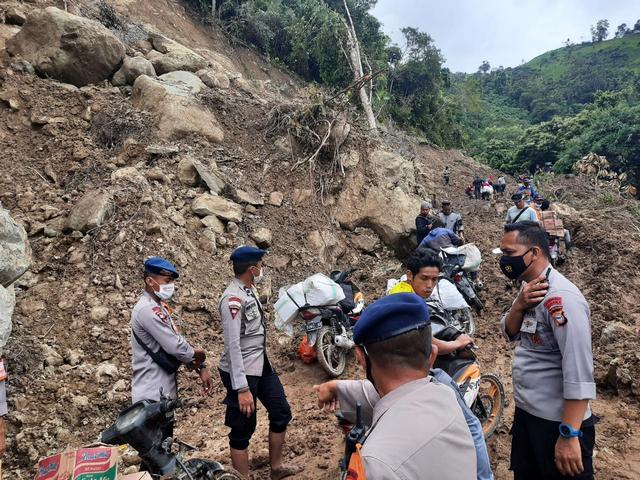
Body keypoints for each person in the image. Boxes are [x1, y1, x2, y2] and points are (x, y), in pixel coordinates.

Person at [314, 294, 477, 479]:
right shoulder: (447, 395)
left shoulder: (374, 463)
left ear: (360, 359)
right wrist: (336, 387)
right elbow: (394, 396)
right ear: (432, 356)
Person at [498, 222, 596, 479]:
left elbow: (578, 370)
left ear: (534, 253)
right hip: (528, 416)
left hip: (556, 424)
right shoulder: (528, 288)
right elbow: (510, 333)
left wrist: (569, 434)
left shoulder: (562, 298)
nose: (505, 261)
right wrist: (518, 306)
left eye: (509, 253)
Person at [218, 246, 301, 479]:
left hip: (260, 363)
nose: (262, 269)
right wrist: (242, 388)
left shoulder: (248, 290)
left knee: (281, 412)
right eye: (260, 265)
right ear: (252, 269)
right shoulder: (232, 299)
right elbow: (233, 346)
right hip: (241, 370)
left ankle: (276, 468)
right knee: (243, 427)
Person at [131, 257, 212, 404]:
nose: (171, 286)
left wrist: (200, 366)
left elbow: (175, 338)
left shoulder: (158, 307)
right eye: (167, 281)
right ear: (150, 281)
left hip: (162, 392)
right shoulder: (147, 310)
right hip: (152, 395)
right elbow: (176, 346)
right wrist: (199, 356)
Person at [389, 253, 474, 356]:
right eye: (424, 278)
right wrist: (458, 343)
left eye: (434, 279)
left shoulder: (400, 288)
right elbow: (430, 345)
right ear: (410, 275)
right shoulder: (410, 302)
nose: (429, 285)